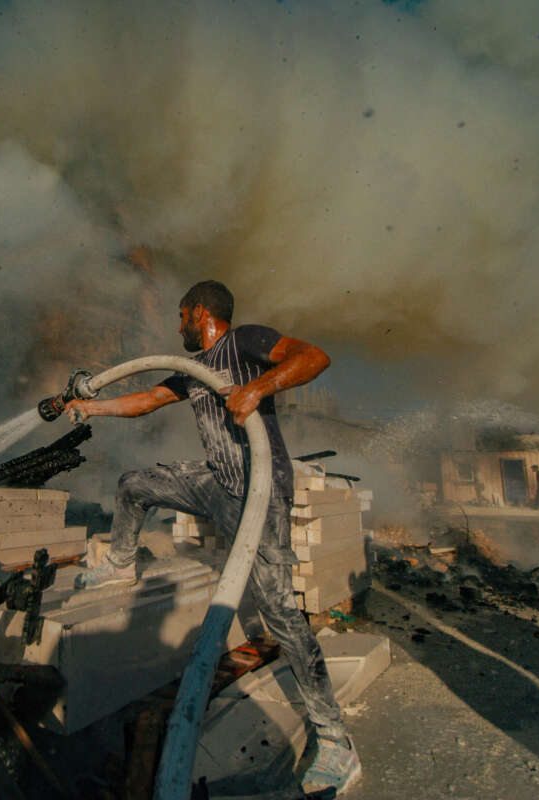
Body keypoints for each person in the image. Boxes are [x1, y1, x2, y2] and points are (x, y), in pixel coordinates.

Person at [64, 280, 360, 793]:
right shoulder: (191, 369)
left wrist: (257, 388)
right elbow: (146, 400)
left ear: (199, 312)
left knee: (280, 613)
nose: (177, 326)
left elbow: (315, 356)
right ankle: (120, 563)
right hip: (218, 485)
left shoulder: (245, 342)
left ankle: (335, 740)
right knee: (134, 484)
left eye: (181, 315)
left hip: (261, 494)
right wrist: (90, 408)